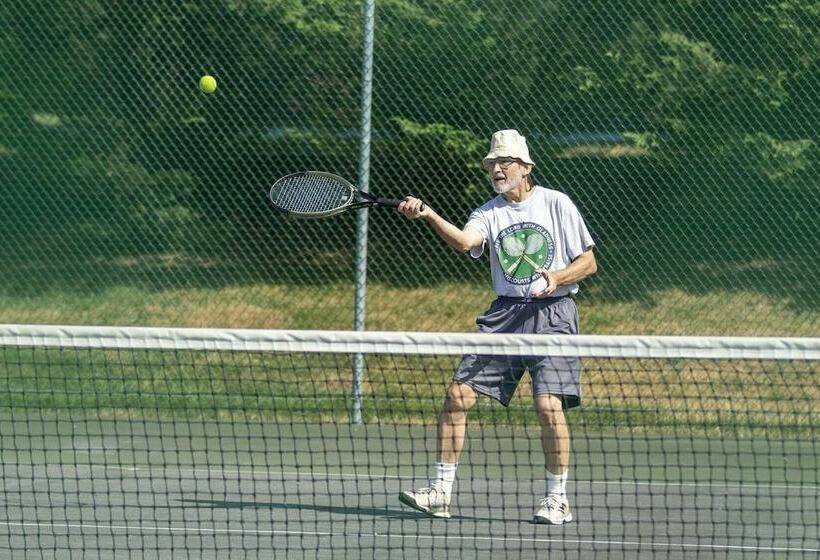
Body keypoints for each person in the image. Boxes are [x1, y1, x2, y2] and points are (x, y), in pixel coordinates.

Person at [396, 129, 597, 524]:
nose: (497, 168)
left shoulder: (557, 203)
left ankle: (557, 499)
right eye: (492, 163)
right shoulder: (488, 212)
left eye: (505, 162)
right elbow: (465, 241)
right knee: (457, 396)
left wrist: (556, 277)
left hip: (554, 314)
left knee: (547, 405)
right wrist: (430, 215)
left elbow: (588, 263)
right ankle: (440, 492)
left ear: (525, 168)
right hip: (504, 315)